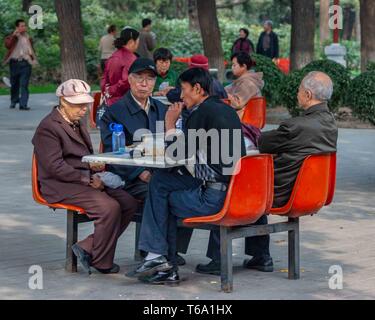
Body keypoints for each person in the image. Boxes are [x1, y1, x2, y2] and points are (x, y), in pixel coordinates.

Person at [197, 71, 338, 275]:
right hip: (311, 192)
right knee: (259, 182)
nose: (297, 94)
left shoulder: (295, 126)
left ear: (307, 94)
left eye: (299, 90)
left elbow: (263, 142)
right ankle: (260, 256)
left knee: (231, 183)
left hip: (284, 191)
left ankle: (219, 259)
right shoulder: (331, 124)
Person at [126, 67, 246, 285]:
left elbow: (175, 155)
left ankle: (161, 262)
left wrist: (170, 124)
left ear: (198, 89)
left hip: (213, 199)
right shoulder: (225, 110)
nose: (181, 96)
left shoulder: (202, 113)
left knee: (161, 196)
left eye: (183, 89)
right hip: (234, 191)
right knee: (161, 182)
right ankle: (158, 259)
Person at [32, 79, 138, 275]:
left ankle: (88, 247)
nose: (83, 109)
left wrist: (92, 166)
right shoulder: (48, 127)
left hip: (81, 177)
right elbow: (54, 167)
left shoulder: (75, 123)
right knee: (109, 207)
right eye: (78, 104)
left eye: (85, 104)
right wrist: (88, 179)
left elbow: (78, 157)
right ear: (63, 101)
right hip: (59, 184)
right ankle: (102, 261)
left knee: (129, 202)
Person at [100, 58, 192, 264]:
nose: (144, 83)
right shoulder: (114, 112)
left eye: (150, 79)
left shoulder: (161, 109)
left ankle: (171, 248)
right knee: (160, 193)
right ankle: (155, 250)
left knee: (187, 191)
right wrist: (140, 173)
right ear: (129, 80)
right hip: (131, 178)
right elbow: (112, 153)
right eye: (139, 78)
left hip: (161, 173)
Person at [3, 19, 38, 110]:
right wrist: (14, 37)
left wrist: (33, 60)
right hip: (14, 63)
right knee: (14, 84)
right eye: (21, 26)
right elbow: (8, 46)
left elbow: (31, 50)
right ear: (17, 27)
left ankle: (23, 104)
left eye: (24, 26)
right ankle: (14, 101)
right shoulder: (11, 37)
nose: (24, 27)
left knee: (24, 84)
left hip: (26, 64)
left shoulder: (28, 38)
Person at [101, 27, 139, 106]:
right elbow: (127, 81)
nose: (138, 44)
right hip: (125, 103)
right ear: (132, 42)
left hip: (110, 100)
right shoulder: (130, 58)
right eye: (138, 41)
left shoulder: (114, 55)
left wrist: (107, 91)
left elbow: (104, 79)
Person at [226, 51, 264, 120]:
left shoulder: (248, 83)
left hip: (245, 123)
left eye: (234, 65)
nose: (232, 67)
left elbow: (237, 103)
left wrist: (223, 92)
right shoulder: (241, 80)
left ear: (243, 66)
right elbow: (227, 89)